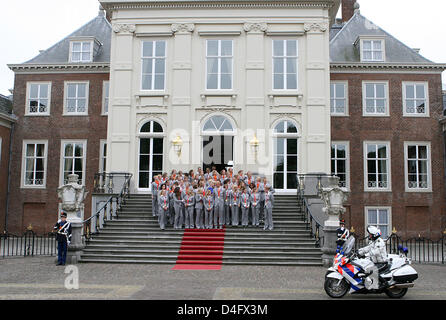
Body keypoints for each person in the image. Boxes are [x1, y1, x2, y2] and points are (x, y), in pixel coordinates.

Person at [357, 226, 388, 290]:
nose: (369, 236)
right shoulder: (373, 242)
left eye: (370, 234)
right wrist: (359, 251)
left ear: (375, 235)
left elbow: (375, 252)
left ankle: (385, 283)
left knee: (371, 271)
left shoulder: (380, 242)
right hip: (375, 262)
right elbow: (367, 248)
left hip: (382, 263)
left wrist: (365, 255)